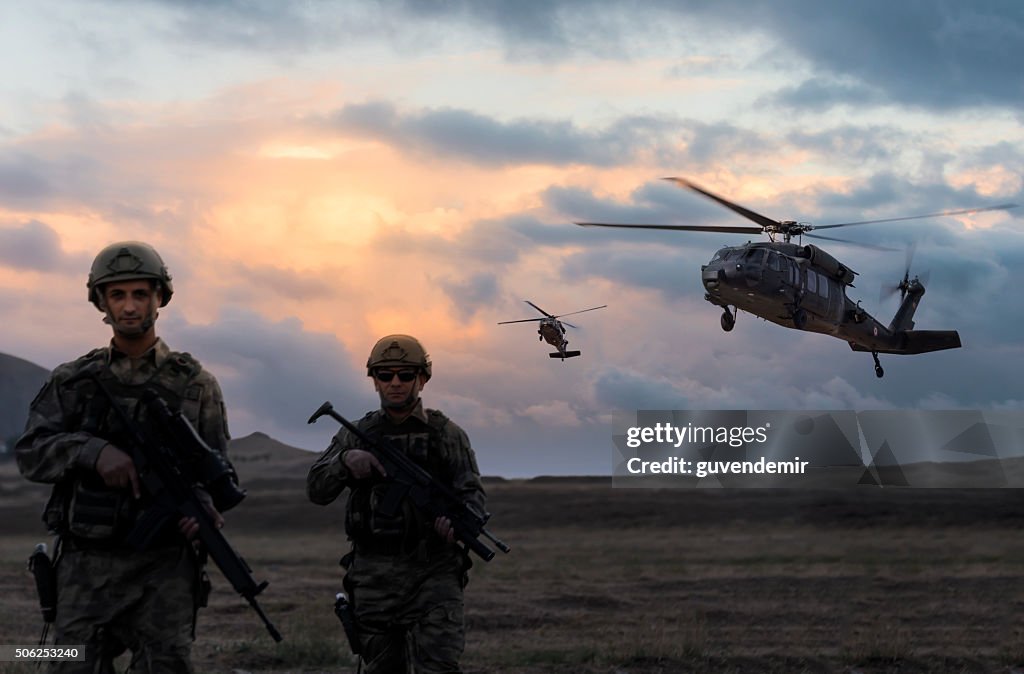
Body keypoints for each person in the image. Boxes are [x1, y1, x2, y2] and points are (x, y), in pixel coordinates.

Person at [16, 241, 235, 674]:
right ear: (101, 301)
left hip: (165, 570)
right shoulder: (73, 380)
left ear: (160, 298)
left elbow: (217, 469)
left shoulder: (196, 385)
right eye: (118, 295)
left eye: (140, 294)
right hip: (85, 567)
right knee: (65, 662)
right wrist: (91, 452)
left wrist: (204, 508)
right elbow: (31, 452)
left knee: (168, 665)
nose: (130, 306)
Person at [307, 334, 486, 674]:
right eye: (385, 375)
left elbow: (471, 493)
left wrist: (459, 523)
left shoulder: (446, 433)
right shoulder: (356, 433)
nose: (395, 383)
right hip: (374, 574)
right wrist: (345, 461)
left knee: (439, 667)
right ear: (373, 379)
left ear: (422, 378)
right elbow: (316, 489)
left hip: (434, 571)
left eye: (405, 375)